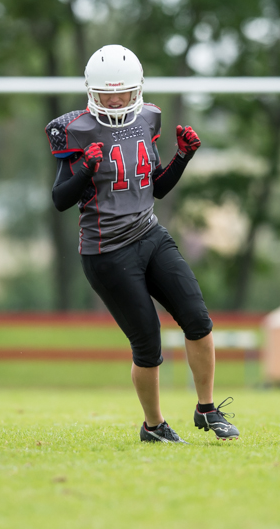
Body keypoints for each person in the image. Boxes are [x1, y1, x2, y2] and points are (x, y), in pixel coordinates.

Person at [45, 44, 239, 443]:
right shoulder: (74, 129)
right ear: (91, 91)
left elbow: (157, 190)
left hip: (150, 234)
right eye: (107, 93)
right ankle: (154, 426)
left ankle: (206, 409)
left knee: (198, 320)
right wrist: (85, 170)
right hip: (106, 251)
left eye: (123, 91)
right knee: (148, 342)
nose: (115, 100)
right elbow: (60, 199)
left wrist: (182, 158)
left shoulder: (148, 118)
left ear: (138, 89)